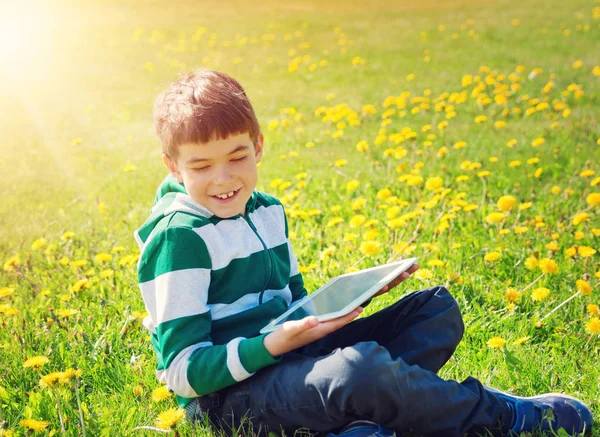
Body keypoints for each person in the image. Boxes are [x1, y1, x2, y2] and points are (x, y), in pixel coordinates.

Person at [134, 68, 593, 437]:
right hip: (225, 400)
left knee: (435, 311)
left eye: (237, 157)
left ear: (258, 146)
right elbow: (182, 371)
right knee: (359, 372)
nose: (223, 179)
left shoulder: (267, 211)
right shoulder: (180, 238)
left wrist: (340, 306)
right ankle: (497, 417)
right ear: (173, 167)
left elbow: (294, 305)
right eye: (201, 166)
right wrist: (274, 344)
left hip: (289, 361)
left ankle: (360, 421)